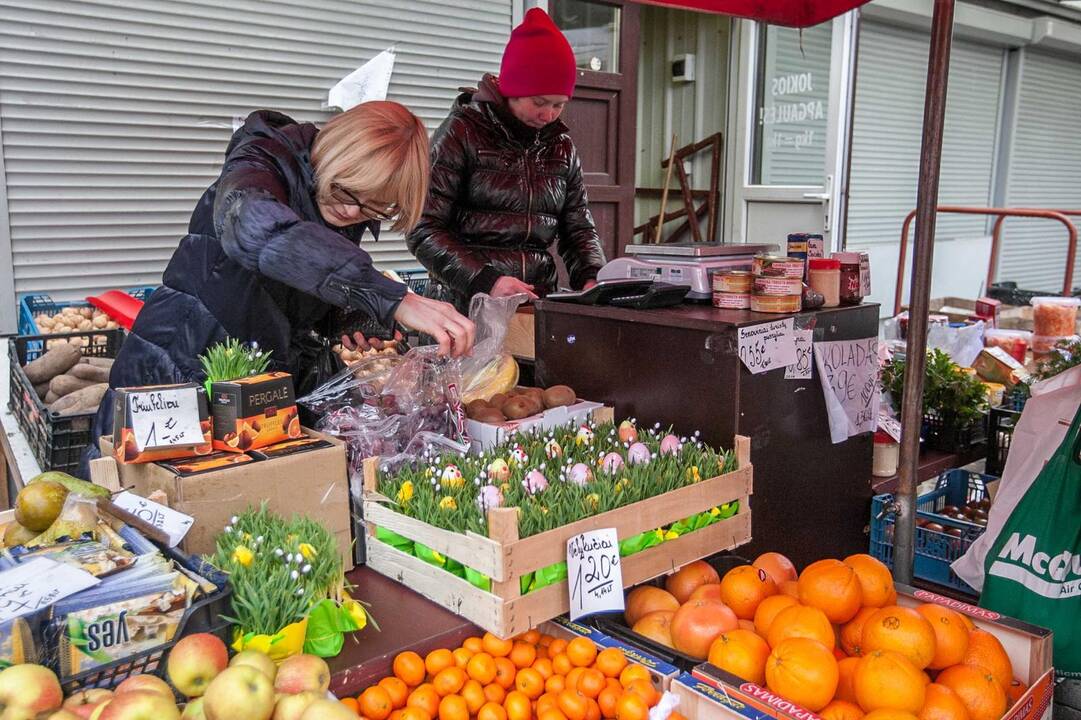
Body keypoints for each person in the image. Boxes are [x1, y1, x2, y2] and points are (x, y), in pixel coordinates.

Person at [82, 103, 475, 474]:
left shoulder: (339, 208)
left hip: (251, 388)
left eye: (375, 206)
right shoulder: (263, 158)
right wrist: (389, 297)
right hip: (176, 366)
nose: (353, 212)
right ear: (332, 152)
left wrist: (344, 314)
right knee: (133, 505)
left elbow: (290, 291)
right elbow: (257, 228)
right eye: (347, 190)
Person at [406, 8, 606, 314]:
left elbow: (578, 228)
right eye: (539, 102)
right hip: (464, 306)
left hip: (535, 306)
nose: (548, 115)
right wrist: (488, 281)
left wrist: (592, 277)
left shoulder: (562, 147)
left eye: (558, 104)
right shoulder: (461, 132)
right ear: (512, 88)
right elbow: (422, 228)